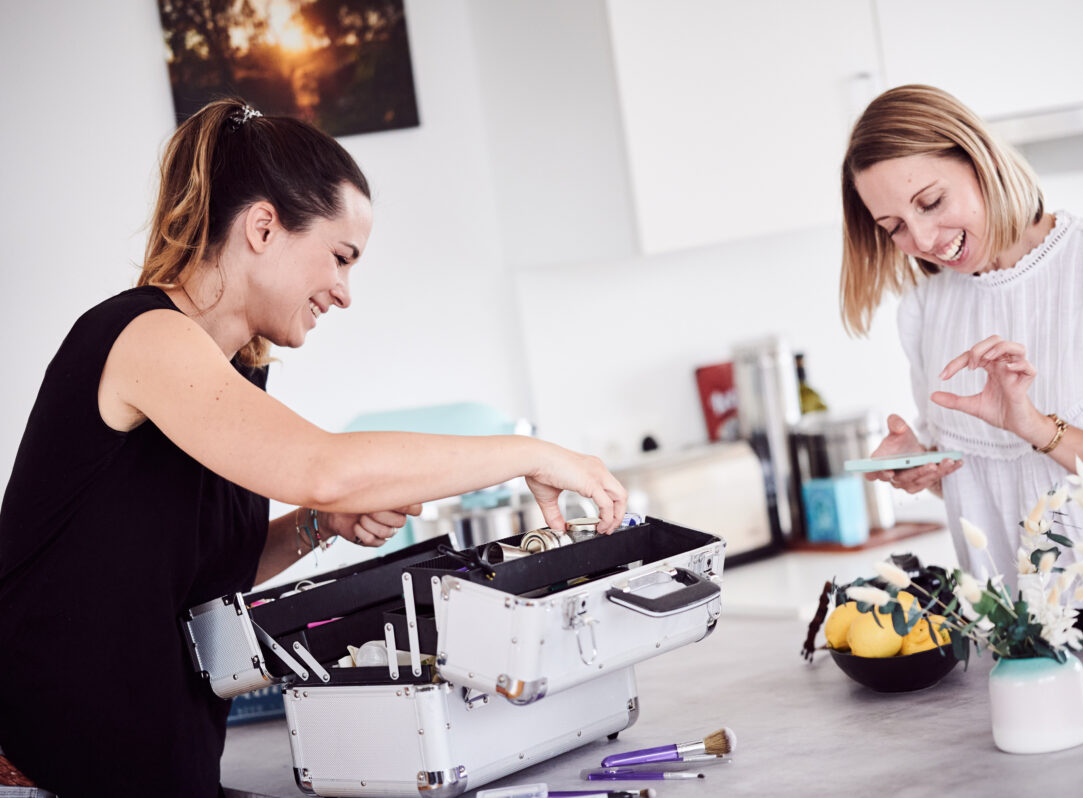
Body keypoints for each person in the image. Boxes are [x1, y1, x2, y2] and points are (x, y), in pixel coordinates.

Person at [0, 99, 627, 797]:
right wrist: (527, 453)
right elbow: (324, 469)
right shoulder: (145, 337)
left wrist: (318, 527)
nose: (344, 291)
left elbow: (204, 574)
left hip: (150, 770)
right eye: (339, 257)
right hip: (45, 773)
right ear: (264, 228)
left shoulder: (232, 372)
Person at [839, 84, 1083, 637]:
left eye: (931, 202)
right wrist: (928, 466)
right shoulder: (926, 308)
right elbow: (993, 483)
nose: (925, 239)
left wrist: (1035, 426)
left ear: (979, 161)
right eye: (895, 228)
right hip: (1020, 637)